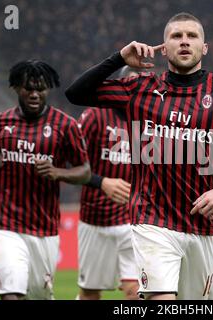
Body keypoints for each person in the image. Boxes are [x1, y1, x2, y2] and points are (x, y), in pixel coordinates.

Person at [66, 12, 213, 300]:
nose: (184, 42)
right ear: (164, 46)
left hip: (201, 224)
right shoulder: (140, 89)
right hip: (151, 219)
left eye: (192, 36)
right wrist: (119, 57)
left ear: (204, 47)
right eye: (176, 36)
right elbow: (75, 93)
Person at [0, 60, 91, 300]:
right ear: (16, 88)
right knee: (11, 293)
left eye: (41, 88)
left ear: (48, 89)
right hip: (5, 225)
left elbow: (85, 172)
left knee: (38, 296)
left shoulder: (66, 125)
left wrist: (58, 172)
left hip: (44, 230)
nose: (35, 94)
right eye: (28, 88)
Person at [76, 66, 140, 300]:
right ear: (121, 86)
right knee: (91, 294)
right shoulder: (95, 116)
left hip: (134, 222)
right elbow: (70, 163)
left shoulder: (150, 123)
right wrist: (102, 182)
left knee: (136, 293)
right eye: (132, 84)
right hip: (96, 222)